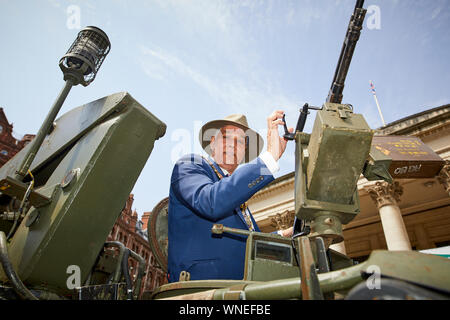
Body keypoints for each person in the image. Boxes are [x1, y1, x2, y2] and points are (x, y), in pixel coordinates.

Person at [167, 111, 293, 282]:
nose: (233, 145)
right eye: (226, 137)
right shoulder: (190, 164)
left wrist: (285, 234)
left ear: (244, 151)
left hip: (241, 287)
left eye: (240, 141)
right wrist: (270, 157)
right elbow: (210, 202)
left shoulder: (236, 195)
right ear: (212, 143)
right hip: (202, 285)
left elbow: (252, 243)